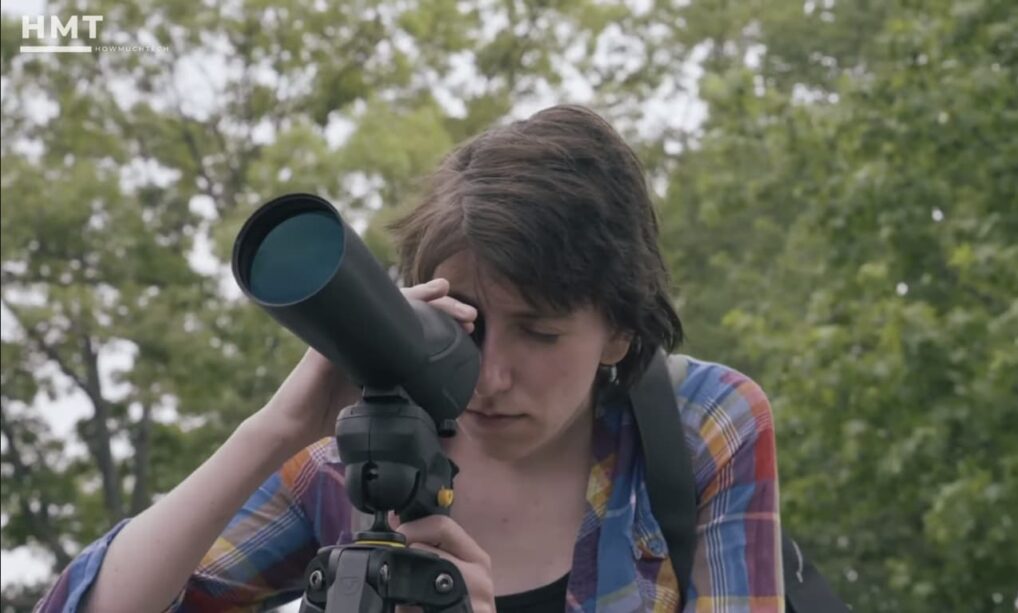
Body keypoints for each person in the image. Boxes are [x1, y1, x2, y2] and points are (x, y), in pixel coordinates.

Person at [36, 105, 784, 612]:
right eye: (469, 322)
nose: (491, 374)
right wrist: (280, 425)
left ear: (618, 331)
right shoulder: (358, 455)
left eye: (541, 332)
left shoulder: (698, 427)